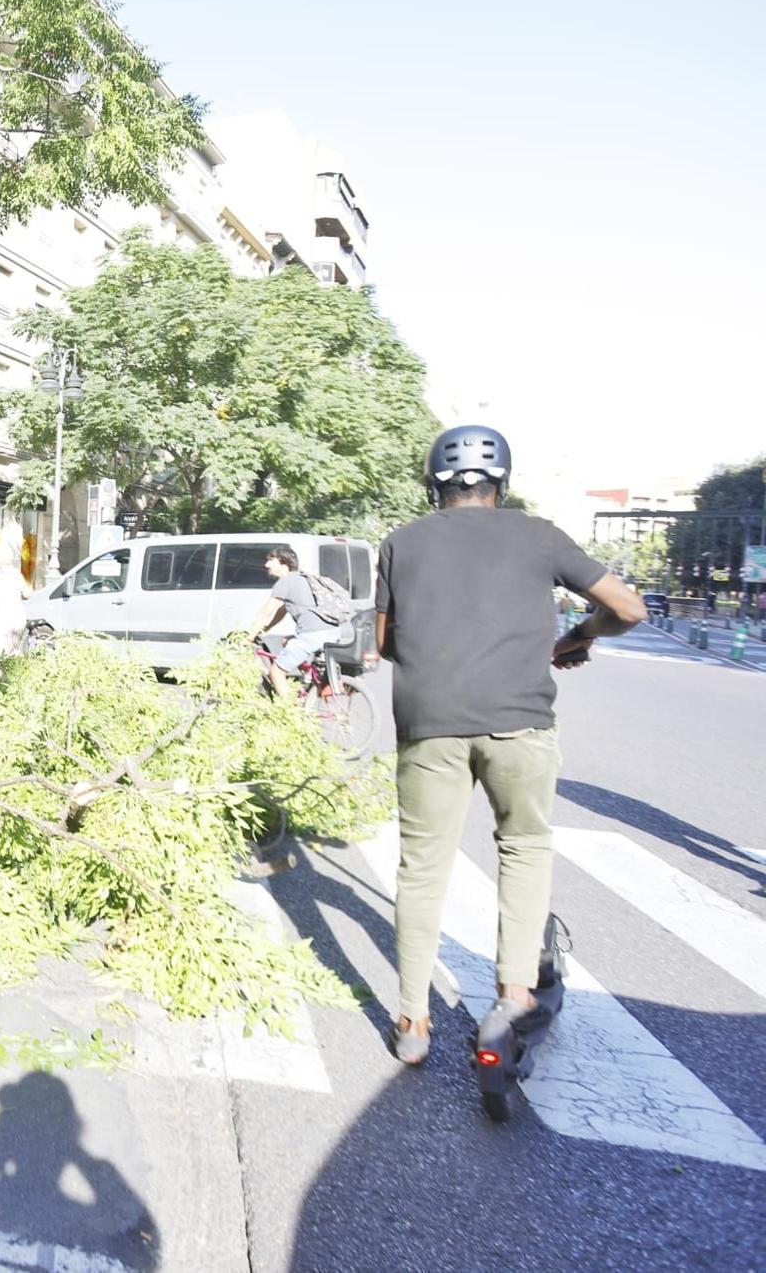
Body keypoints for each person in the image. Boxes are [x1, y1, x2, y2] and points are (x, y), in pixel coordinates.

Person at [375, 424, 647, 1068]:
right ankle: (513, 999)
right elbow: (629, 608)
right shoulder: (540, 534)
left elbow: (385, 642)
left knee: (422, 870)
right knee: (524, 850)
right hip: (521, 725)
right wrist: (582, 633)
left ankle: (413, 1022)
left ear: (434, 480)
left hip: (428, 726)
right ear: (503, 480)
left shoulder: (401, 542)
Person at [248, 547, 340, 697]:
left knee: (276, 672)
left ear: (283, 564)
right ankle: (308, 682)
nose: (266, 564)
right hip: (332, 632)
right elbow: (281, 611)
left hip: (313, 635)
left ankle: (290, 711)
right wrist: (264, 630)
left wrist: (249, 636)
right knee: (286, 642)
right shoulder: (302, 578)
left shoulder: (286, 582)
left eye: (271, 560)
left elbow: (266, 611)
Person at [0, 536, 31, 663]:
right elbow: (27, 593)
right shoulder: (16, 574)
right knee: (14, 651)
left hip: (3, 620)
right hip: (19, 619)